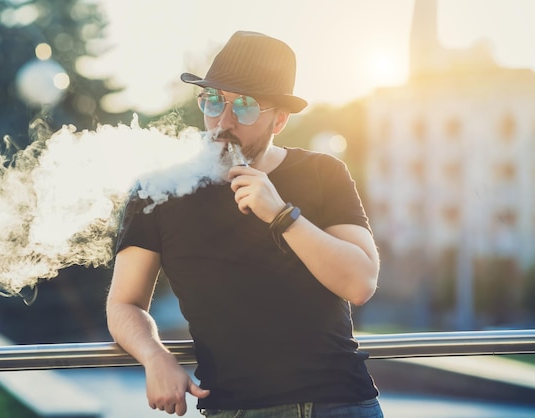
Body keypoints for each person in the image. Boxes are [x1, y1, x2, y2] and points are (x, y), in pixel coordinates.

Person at [106, 31, 383, 418]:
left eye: (246, 107)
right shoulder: (156, 191)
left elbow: (360, 283)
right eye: (213, 100)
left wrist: (282, 215)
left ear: (279, 120)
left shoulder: (323, 172)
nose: (223, 120)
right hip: (236, 410)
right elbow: (124, 303)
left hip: (339, 403)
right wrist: (154, 356)